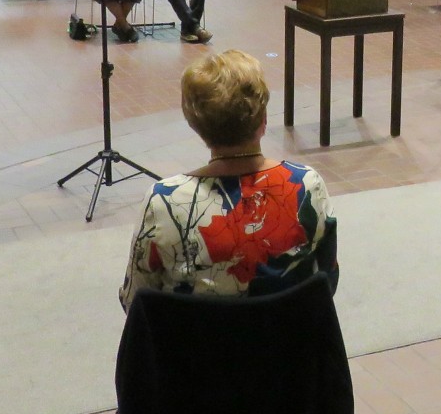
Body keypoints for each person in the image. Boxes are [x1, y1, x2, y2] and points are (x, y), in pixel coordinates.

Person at [120, 49, 335, 307]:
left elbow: (134, 303)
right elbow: (327, 282)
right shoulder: (307, 185)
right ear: (263, 119)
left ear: (195, 124)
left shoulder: (163, 202)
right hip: (290, 345)